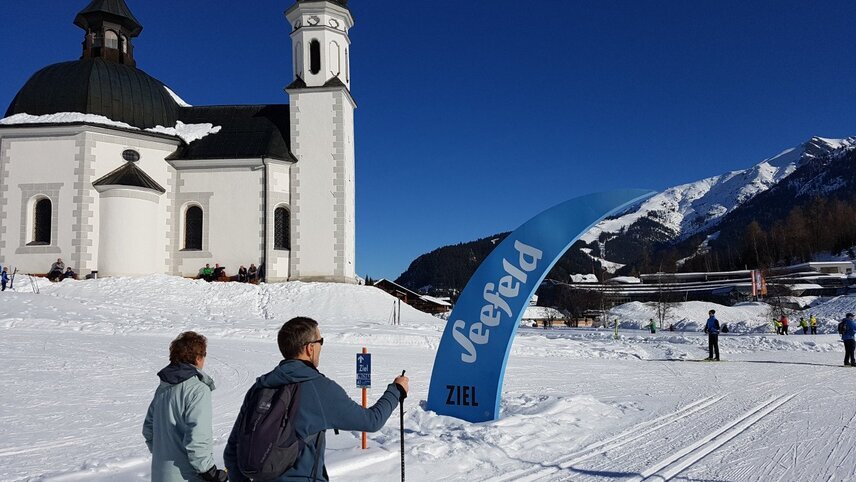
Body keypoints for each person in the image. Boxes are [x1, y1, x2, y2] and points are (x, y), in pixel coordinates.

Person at [224, 317, 409, 481]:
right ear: (310, 348)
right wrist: (397, 390)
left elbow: (232, 451)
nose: (321, 346)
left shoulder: (260, 386)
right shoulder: (319, 388)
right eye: (321, 341)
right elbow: (371, 421)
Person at [143, 331, 227, 482]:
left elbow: (149, 429)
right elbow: (198, 436)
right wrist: (209, 471)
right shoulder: (198, 389)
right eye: (204, 355)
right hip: (187, 476)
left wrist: (164, 454)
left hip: (160, 475)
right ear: (198, 358)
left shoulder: (163, 388)